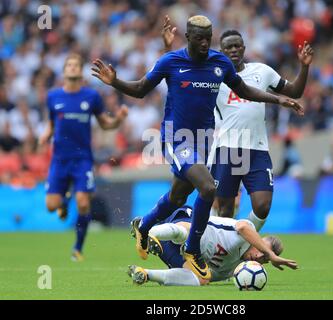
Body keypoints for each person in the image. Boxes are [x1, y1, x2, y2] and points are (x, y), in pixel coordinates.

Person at [91, 15, 303, 280]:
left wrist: (278, 100)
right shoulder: (171, 61)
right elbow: (141, 89)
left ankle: (144, 226)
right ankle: (193, 249)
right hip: (177, 138)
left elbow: (246, 91)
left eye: (208, 38)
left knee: (178, 197)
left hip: (204, 139)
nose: (205, 43)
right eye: (199, 38)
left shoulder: (220, 62)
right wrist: (115, 81)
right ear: (188, 38)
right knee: (208, 187)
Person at [162, 16, 313, 230]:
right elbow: (177, 73)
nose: (233, 50)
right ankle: (215, 249)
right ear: (221, 51)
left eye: (237, 46)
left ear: (243, 48)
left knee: (262, 206)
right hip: (227, 148)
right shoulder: (214, 74)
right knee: (225, 209)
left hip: (257, 148)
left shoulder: (262, 71)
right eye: (228, 47)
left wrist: (304, 67)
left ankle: (239, 243)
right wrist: (168, 47)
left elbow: (295, 91)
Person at [39, 53, 128, 261]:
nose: (71, 68)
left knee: (83, 203)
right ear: (63, 71)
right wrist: (45, 135)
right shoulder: (53, 97)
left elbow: (105, 123)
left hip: (82, 159)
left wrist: (119, 119)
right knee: (51, 206)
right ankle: (62, 202)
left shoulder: (91, 97)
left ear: (80, 70)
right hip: (59, 159)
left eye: (75, 65)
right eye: (68, 65)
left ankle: (77, 249)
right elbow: (52, 123)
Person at [128, 205, 298, 286]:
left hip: (176, 251)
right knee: (190, 232)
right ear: (259, 241)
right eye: (262, 250)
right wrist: (271, 254)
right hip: (184, 222)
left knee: (203, 278)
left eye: (264, 259)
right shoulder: (247, 233)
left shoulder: (233, 270)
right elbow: (242, 226)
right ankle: (148, 232)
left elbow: (208, 276)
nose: (259, 256)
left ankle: (145, 274)